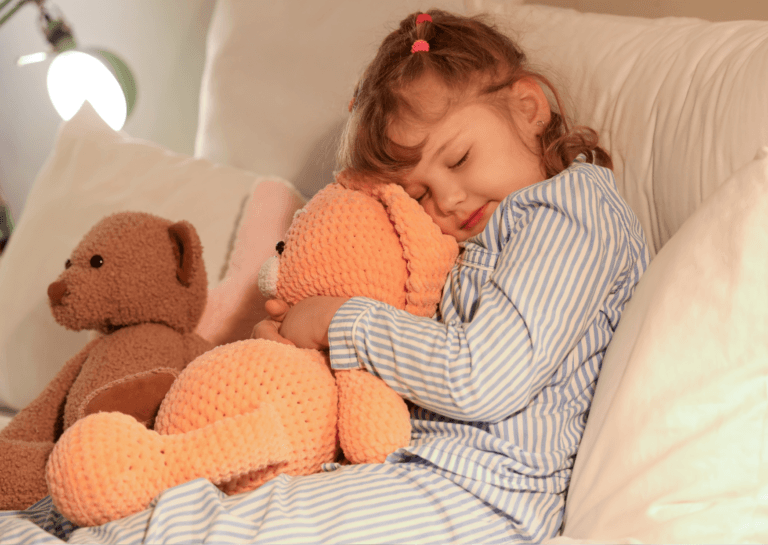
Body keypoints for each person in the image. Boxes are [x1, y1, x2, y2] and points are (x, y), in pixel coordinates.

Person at [251, 9, 649, 543]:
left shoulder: (571, 211)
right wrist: (294, 360)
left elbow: (480, 378)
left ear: (527, 106)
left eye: (458, 158)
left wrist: (338, 322)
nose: (447, 200)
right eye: (419, 195)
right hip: (425, 476)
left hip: (485, 494)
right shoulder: (467, 247)